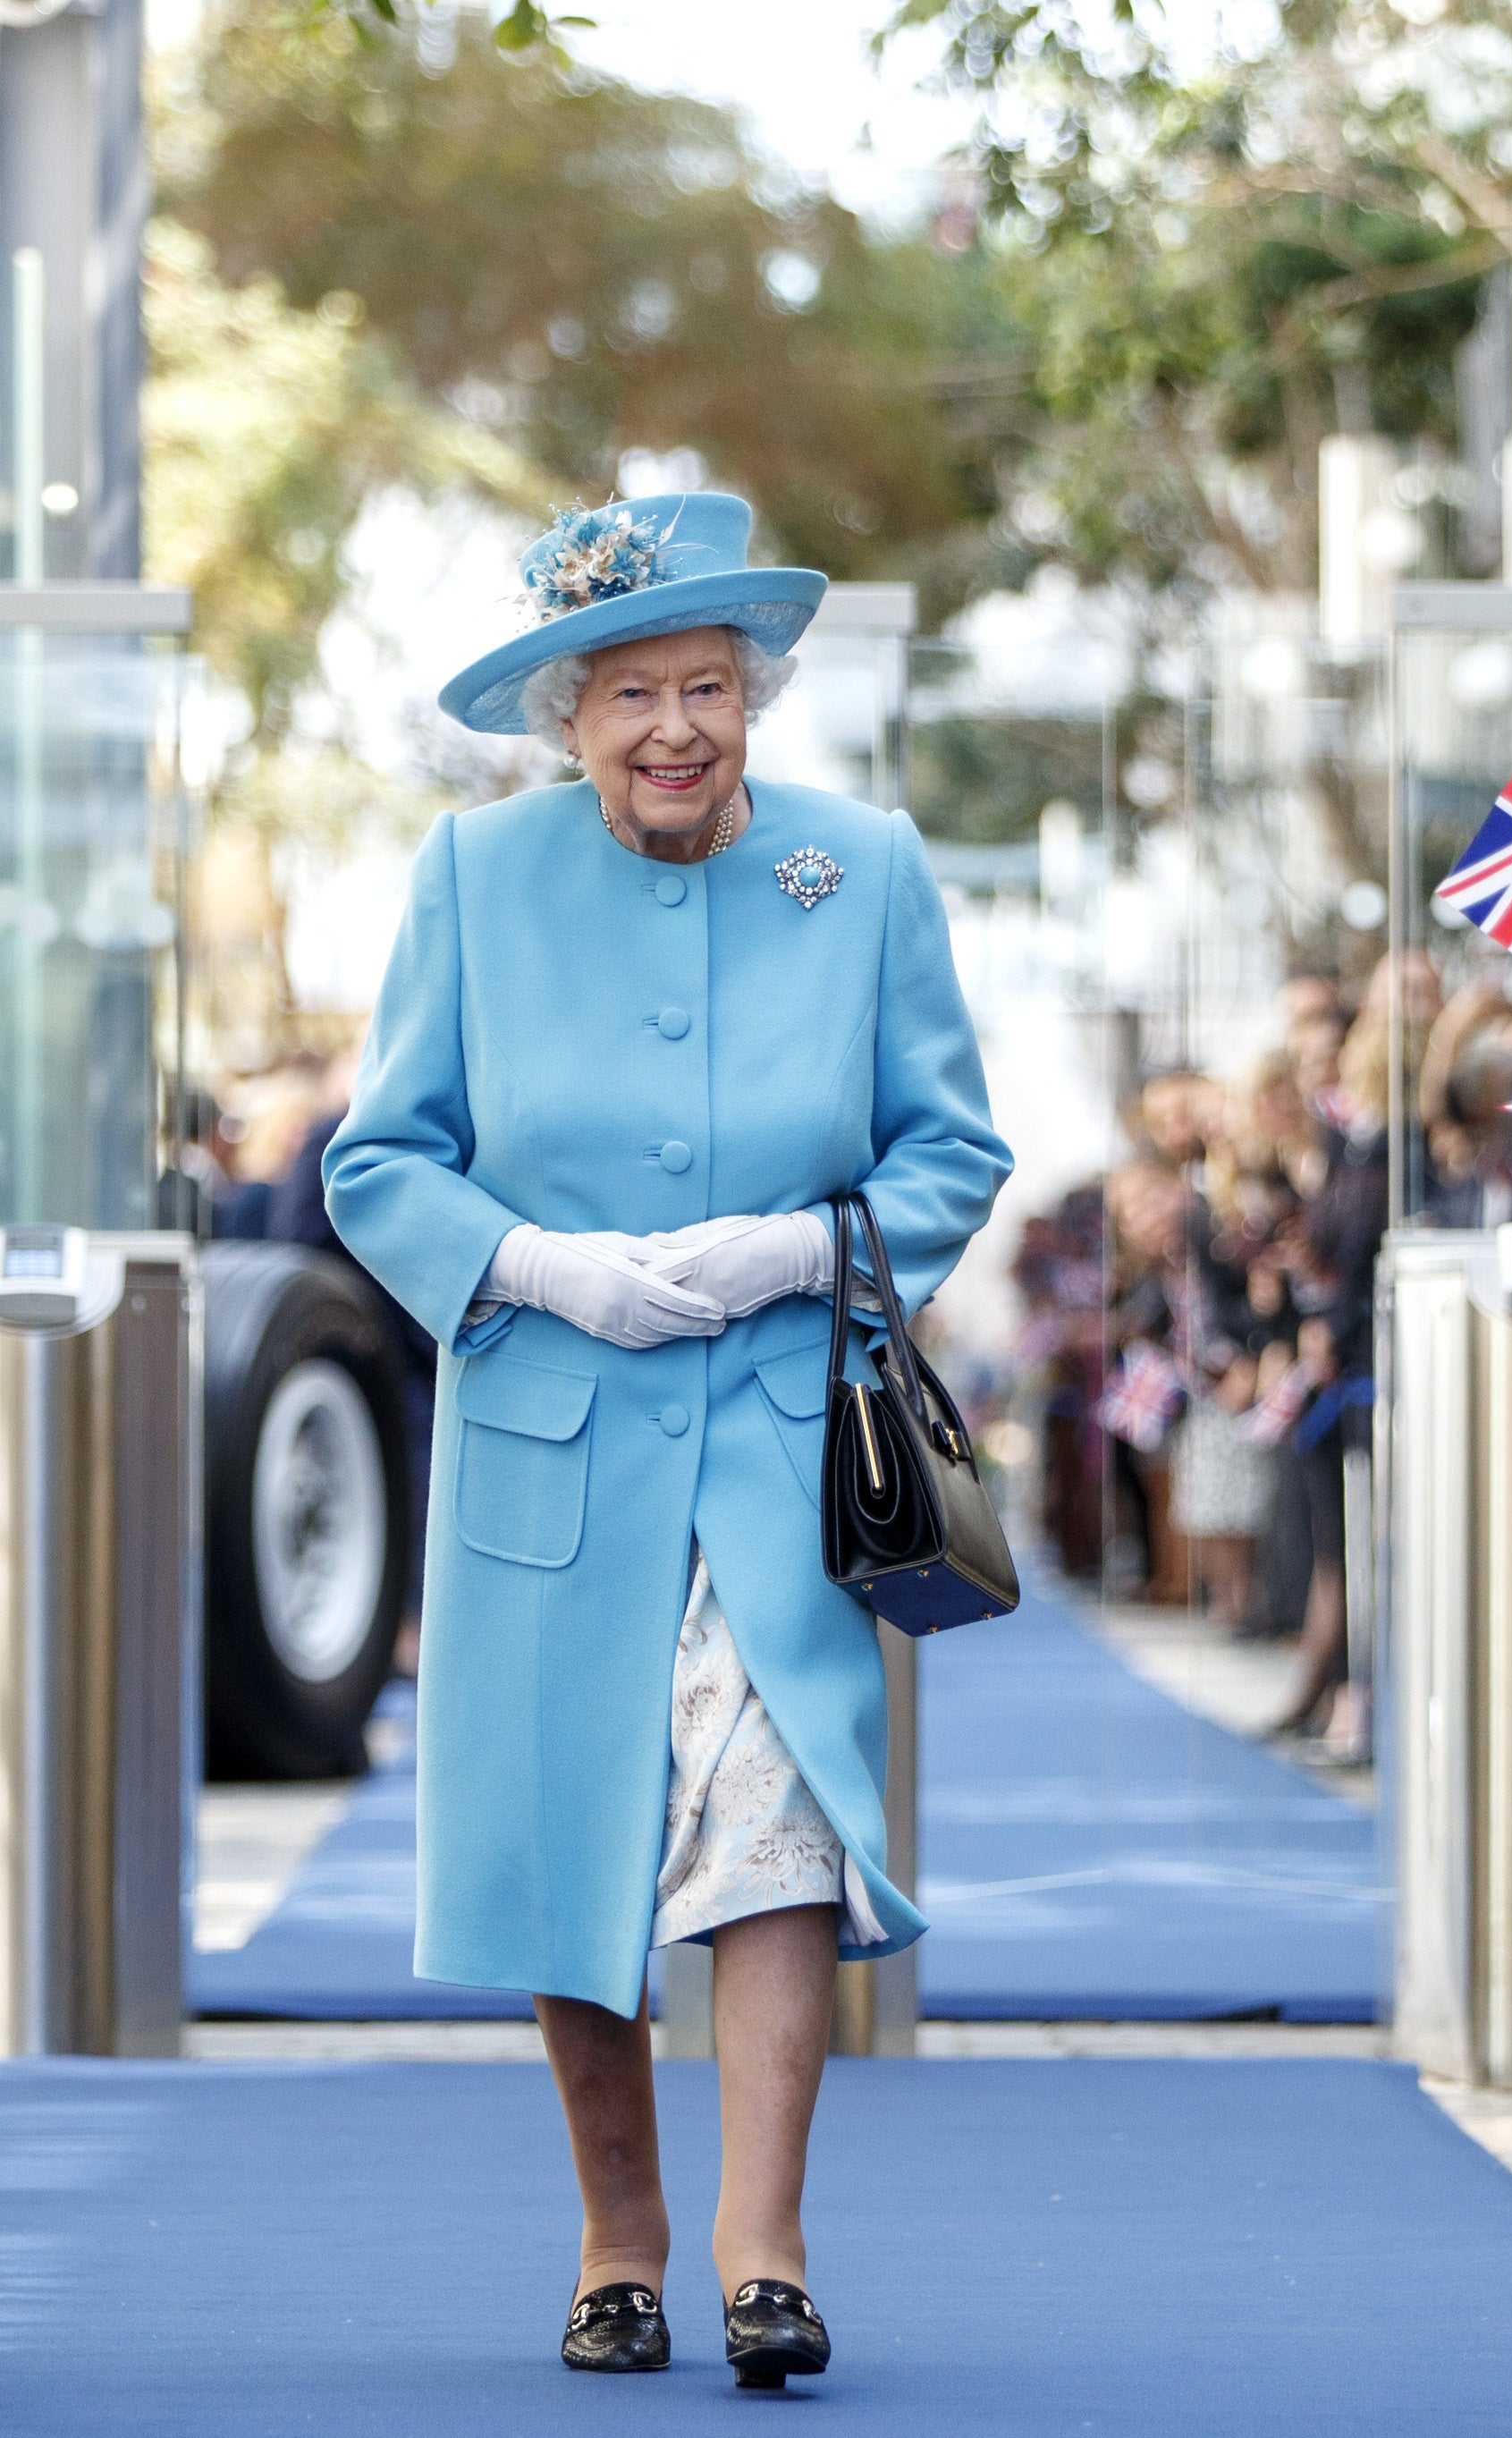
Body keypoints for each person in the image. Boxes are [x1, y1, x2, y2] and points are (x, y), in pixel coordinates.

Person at [323, 492, 1010, 2387]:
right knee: (580, 1837)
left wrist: (808, 1242)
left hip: (778, 1439)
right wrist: (533, 1261)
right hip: (556, 1435)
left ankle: (761, 2246)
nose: (675, 729)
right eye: (634, 694)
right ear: (568, 712)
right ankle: (614, 2237)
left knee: (779, 1821)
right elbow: (376, 1162)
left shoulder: (860, 866)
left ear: (755, 696)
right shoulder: (473, 876)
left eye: (709, 685)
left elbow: (950, 1147)